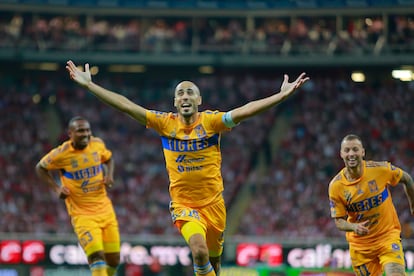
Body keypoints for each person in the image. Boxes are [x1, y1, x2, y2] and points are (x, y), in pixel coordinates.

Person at [65, 60, 309, 276]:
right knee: (199, 252)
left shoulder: (212, 122)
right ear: (175, 101)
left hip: (214, 206)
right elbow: (127, 106)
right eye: (180, 93)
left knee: (213, 265)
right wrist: (90, 86)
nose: (184, 96)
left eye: (190, 92)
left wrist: (280, 96)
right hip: (184, 206)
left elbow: (245, 111)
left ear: (199, 100)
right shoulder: (164, 123)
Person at [35, 116, 120, 276]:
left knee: (114, 260)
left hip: (105, 210)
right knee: (96, 256)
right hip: (82, 215)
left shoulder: (97, 144)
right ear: (70, 133)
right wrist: (56, 188)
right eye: (81, 131)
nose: (86, 134)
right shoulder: (61, 153)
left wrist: (109, 175)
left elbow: (109, 159)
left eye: (88, 130)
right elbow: (40, 168)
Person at [328, 134, 414, 276]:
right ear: (341, 154)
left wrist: (413, 205)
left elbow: (407, 179)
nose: (351, 154)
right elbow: (339, 222)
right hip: (361, 248)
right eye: (347, 150)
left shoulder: (380, 170)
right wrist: (354, 227)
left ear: (363, 152)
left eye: (355, 149)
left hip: (387, 238)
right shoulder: (336, 186)